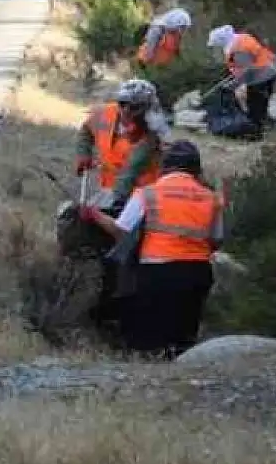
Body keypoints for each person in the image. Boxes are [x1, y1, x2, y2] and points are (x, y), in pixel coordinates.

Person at [80, 140, 224, 358]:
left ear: (164, 167)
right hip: (197, 274)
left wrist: (94, 214)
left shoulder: (147, 193)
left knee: (149, 341)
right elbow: (217, 239)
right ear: (196, 169)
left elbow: (121, 231)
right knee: (183, 340)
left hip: (158, 273)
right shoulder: (211, 198)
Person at [75, 79, 173, 210]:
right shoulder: (105, 114)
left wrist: (111, 206)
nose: (126, 110)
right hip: (110, 187)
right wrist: (84, 154)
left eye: (134, 107)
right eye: (122, 103)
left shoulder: (152, 131)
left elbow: (130, 171)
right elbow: (86, 130)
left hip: (143, 197)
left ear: (146, 108)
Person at [206, 25, 276, 140]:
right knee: (260, 103)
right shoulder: (240, 39)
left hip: (261, 75)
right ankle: (262, 125)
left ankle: (256, 132)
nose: (216, 48)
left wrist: (235, 85)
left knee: (256, 103)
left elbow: (246, 72)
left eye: (216, 45)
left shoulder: (238, 48)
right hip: (267, 70)